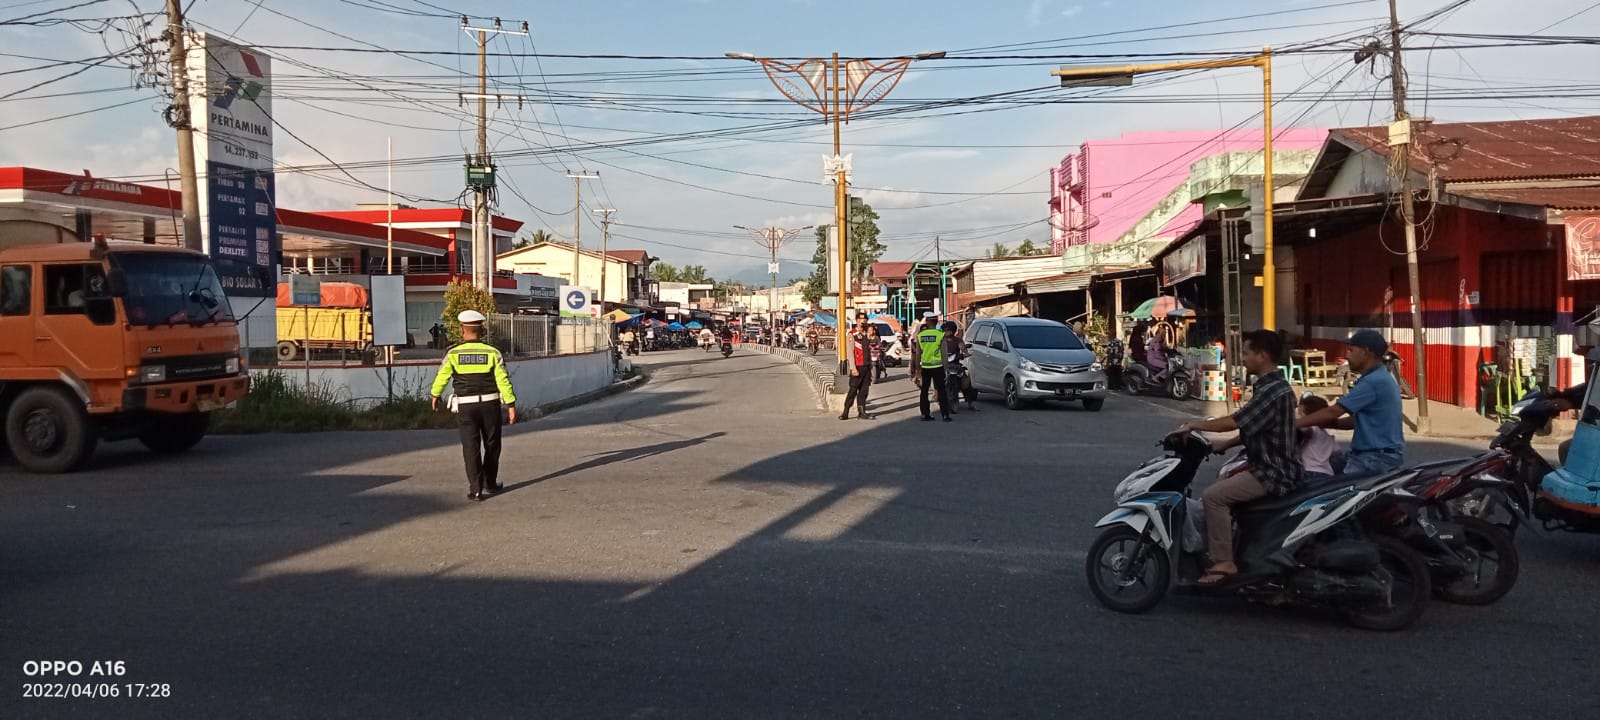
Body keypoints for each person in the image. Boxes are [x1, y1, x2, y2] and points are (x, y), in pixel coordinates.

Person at [1175, 329, 1302, 584]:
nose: (1243, 358)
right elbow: (1254, 429)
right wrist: (1222, 445)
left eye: (1246, 352)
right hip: (1267, 465)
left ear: (1262, 356)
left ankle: (1224, 561)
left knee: (1214, 497)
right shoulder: (1272, 387)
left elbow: (1234, 421)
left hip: (1272, 472)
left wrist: (1194, 424)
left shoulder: (1272, 392)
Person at [431, 310, 518, 502]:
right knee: (492, 444)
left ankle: (476, 489)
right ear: (482, 331)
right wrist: (511, 404)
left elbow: (442, 376)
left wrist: (435, 395)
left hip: (466, 407)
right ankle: (490, 482)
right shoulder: (492, 352)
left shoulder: (453, 353)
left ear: (463, 330)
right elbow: (503, 379)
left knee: (470, 447)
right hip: (490, 404)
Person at [1297, 329, 1405, 476]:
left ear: (1366, 352)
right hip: (1379, 456)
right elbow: (1357, 421)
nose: (1347, 356)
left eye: (1351, 350)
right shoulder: (1381, 377)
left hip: (1374, 458)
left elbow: (1334, 411)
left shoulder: (1372, 382)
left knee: (1331, 493)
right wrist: (1328, 423)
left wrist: (1296, 424)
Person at [840, 312, 877, 420]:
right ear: (856, 320)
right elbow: (850, 352)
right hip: (857, 366)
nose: (863, 321)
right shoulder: (852, 334)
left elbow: (871, 348)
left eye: (865, 319)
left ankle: (862, 412)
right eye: (861, 319)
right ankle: (845, 412)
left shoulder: (867, 334)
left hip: (866, 365)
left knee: (864, 390)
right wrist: (853, 367)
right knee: (853, 390)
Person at [917, 314, 952, 422]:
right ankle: (945, 415)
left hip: (926, 367)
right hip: (938, 366)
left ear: (926, 322)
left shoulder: (920, 335)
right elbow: (944, 354)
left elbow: (918, 354)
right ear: (937, 322)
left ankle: (925, 414)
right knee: (941, 390)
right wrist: (946, 369)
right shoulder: (940, 335)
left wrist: (918, 369)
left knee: (924, 390)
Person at [1298, 394, 1337, 486]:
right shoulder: (1325, 434)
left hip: (1311, 472)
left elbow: (1307, 430)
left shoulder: (1313, 429)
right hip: (1327, 473)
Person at [941, 320, 970, 415]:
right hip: (943, 364)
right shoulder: (941, 340)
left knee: (966, 381)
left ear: (953, 331)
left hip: (955, 364)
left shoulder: (957, 340)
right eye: (945, 330)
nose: (946, 332)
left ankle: (970, 402)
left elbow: (963, 348)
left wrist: (965, 353)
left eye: (948, 330)